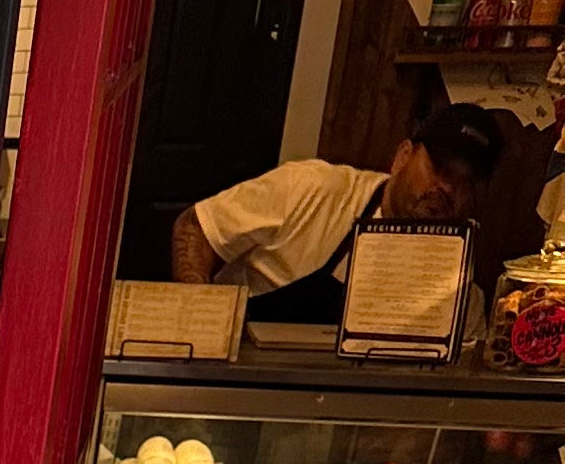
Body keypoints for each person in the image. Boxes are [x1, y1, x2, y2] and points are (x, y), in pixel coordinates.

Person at [169, 101, 503, 322]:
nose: (447, 189)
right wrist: (200, 316)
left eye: (465, 182)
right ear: (403, 156)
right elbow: (196, 226)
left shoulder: (457, 282)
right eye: (440, 168)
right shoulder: (313, 188)